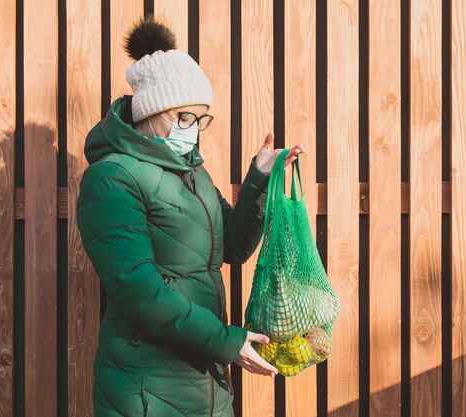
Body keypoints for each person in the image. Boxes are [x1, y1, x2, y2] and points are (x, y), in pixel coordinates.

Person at [76, 16, 306, 417]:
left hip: (207, 383)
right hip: (146, 391)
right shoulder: (111, 178)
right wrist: (225, 342)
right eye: (184, 118)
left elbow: (232, 246)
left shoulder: (192, 171)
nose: (193, 131)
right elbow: (141, 291)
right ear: (151, 110)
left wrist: (260, 178)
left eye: (201, 120)